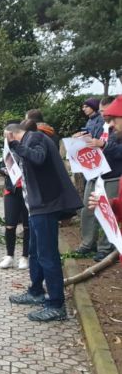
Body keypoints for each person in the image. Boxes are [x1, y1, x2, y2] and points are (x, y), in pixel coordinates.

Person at [5, 123, 83, 322]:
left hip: (46, 205)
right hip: (36, 207)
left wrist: (15, 146)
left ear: (11, 134)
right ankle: (36, 290)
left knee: (48, 255)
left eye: (6, 137)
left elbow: (38, 158)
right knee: (35, 252)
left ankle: (56, 304)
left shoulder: (35, 138)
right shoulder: (29, 141)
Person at [75, 97, 122, 261]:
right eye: (102, 112)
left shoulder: (117, 130)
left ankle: (105, 248)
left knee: (108, 211)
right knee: (88, 209)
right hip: (95, 174)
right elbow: (93, 141)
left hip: (112, 176)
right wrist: (83, 138)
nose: (104, 116)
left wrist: (104, 145)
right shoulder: (100, 124)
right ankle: (88, 243)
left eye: (107, 113)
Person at [90, 96, 122, 220]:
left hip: (112, 174)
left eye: (115, 118)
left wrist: (104, 145)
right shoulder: (101, 127)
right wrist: (112, 204)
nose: (112, 124)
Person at [0, 156, 30, 270]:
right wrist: (5, 170)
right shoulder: (9, 148)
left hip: (29, 191)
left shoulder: (29, 145)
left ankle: (25, 256)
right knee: (10, 225)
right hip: (11, 190)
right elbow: (0, 166)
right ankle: (9, 256)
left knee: (27, 226)